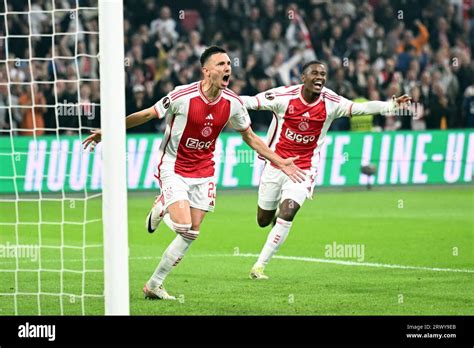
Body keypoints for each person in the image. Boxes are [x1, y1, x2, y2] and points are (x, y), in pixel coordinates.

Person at [82, 46, 305, 299]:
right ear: (206, 71)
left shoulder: (232, 102)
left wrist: (281, 161)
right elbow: (147, 114)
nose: (228, 68)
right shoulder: (182, 95)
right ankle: (162, 204)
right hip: (174, 165)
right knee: (183, 225)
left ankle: (154, 284)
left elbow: (251, 137)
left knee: (191, 232)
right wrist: (110, 130)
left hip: (204, 170)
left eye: (229, 63)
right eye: (221, 64)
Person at [241, 60, 411, 280]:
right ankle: (276, 223)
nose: (320, 77)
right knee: (263, 220)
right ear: (303, 77)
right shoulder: (284, 96)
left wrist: (390, 106)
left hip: (303, 169)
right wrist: (220, 99)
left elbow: (361, 108)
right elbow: (251, 102)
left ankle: (259, 266)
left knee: (289, 211)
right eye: (314, 73)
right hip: (276, 165)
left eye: (323, 74)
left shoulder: (331, 102)